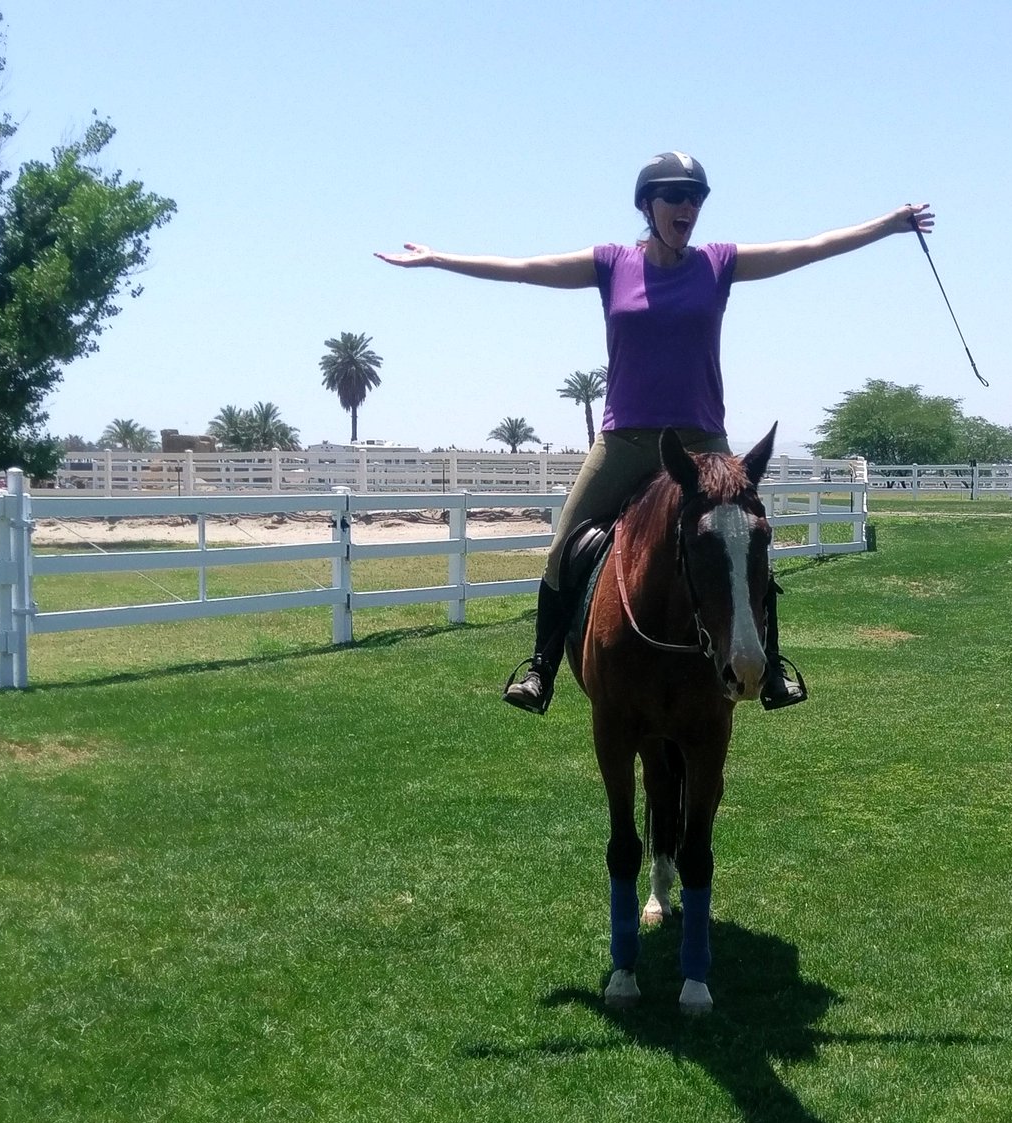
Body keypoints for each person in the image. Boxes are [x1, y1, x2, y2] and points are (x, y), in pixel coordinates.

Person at [377, 151, 934, 715]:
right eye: (675, 196)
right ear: (648, 205)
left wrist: (888, 225)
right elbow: (524, 268)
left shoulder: (718, 264)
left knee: (745, 544)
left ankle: (770, 668)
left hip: (703, 444)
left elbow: (808, 248)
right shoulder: (610, 263)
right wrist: (440, 259)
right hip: (625, 441)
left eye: (696, 197)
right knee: (561, 549)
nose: (687, 206)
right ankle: (542, 667)